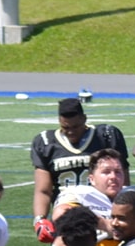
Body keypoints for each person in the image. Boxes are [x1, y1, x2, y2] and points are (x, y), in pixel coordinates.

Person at [29, 97, 127, 238]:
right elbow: (43, 190)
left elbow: (122, 179)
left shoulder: (105, 136)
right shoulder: (45, 142)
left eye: (75, 127)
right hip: (67, 211)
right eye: (66, 128)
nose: (71, 132)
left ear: (84, 119)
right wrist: (40, 220)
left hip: (104, 210)